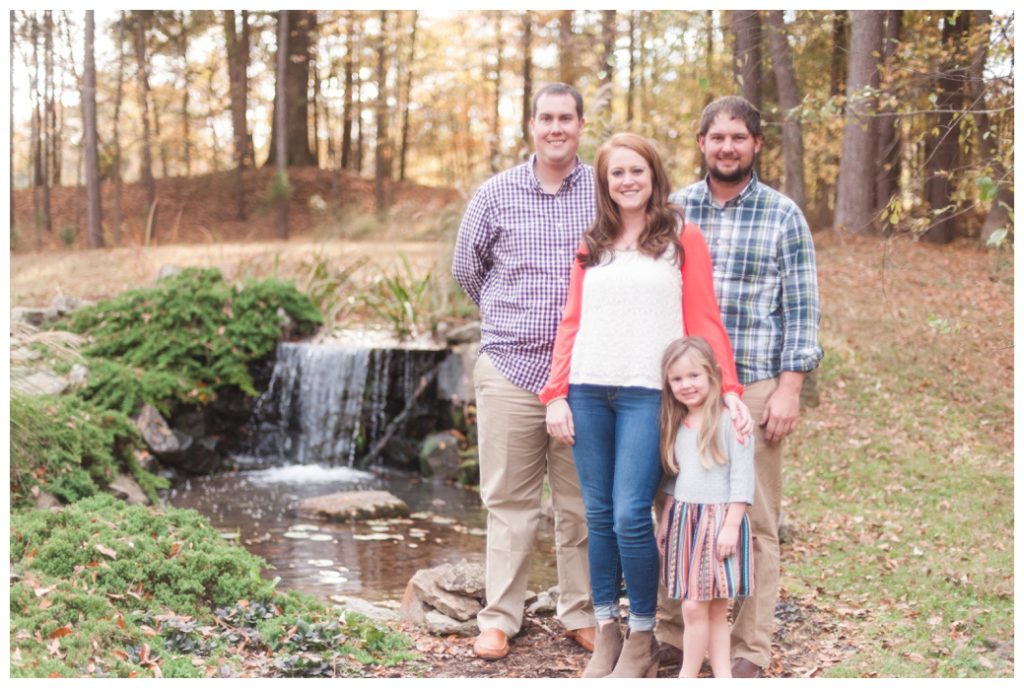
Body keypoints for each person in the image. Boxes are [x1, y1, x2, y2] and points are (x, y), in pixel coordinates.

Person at [539, 133, 751, 678]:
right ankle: (606, 629)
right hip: (588, 390)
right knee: (598, 514)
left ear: (654, 175)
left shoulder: (683, 236)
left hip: (645, 394)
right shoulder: (593, 242)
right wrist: (555, 393)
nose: (628, 181)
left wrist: (728, 389)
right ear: (604, 183)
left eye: (637, 171)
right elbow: (571, 321)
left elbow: (703, 318)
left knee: (632, 512)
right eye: (617, 173)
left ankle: (641, 635)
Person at [655, 95, 823, 678]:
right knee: (675, 510)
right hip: (683, 390)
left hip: (752, 384)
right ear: (701, 143)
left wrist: (790, 388)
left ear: (756, 145)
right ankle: (676, 637)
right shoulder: (674, 209)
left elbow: (800, 309)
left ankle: (749, 649)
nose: (728, 146)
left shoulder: (783, 215)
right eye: (717, 137)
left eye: (739, 137)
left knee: (752, 516)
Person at [452, 83, 597, 661]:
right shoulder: (495, 194)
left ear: (581, 125)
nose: (556, 127)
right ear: (531, 126)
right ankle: (500, 619)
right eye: (546, 118)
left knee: (580, 503)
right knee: (508, 500)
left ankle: (580, 611)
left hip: (584, 373)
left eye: (566, 118)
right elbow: (469, 269)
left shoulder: (603, 190)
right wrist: (512, 318)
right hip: (509, 369)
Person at [656, 336, 755, 678]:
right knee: (707, 610)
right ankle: (723, 676)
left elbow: (743, 478)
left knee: (700, 607)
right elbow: (675, 477)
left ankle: (688, 675)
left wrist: (731, 525)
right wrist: (666, 517)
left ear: (712, 375)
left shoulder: (730, 421)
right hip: (686, 520)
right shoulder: (676, 421)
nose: (687, 385)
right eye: (677, 379)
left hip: (718, 522)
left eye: (694, 376)